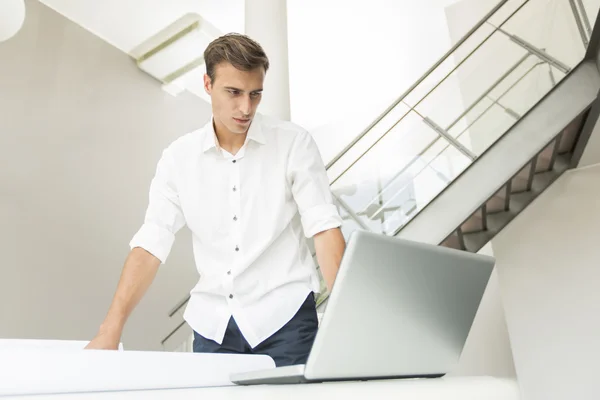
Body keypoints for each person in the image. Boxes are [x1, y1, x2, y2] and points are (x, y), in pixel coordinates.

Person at [85, 33, 346, 367]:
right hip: (214, 328)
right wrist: (111, 329)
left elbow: (323, 227)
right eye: (234, 93)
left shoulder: (294, 144)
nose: (246, 108)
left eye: (255, 94)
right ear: (208, 84)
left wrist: (344, 317)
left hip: (287, 322)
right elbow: (152, 243)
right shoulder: (178, 158)